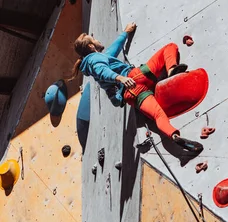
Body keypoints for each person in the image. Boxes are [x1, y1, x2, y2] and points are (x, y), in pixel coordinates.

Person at [70, 22, 203, 154]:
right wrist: (121, 78)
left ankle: (174, 136)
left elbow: (115, 47)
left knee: (158, 115)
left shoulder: (98, 59)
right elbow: (103, 71)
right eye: (94, 39)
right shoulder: (94, 60)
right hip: (135, 77)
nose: (97, 39)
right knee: (170, 47)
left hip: (131, 95)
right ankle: (172, 71)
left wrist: (126, 32)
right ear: (91, 46)